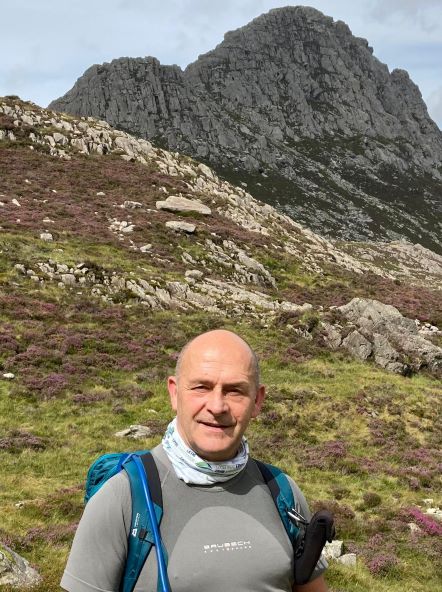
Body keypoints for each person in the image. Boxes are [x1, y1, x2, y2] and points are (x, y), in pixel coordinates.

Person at [61, 329, 328, 592]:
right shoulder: (123, 496)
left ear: (257, 401)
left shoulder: (282, 491)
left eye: (235, 390)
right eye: (202, 387)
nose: (217, 406)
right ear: (174, 393)